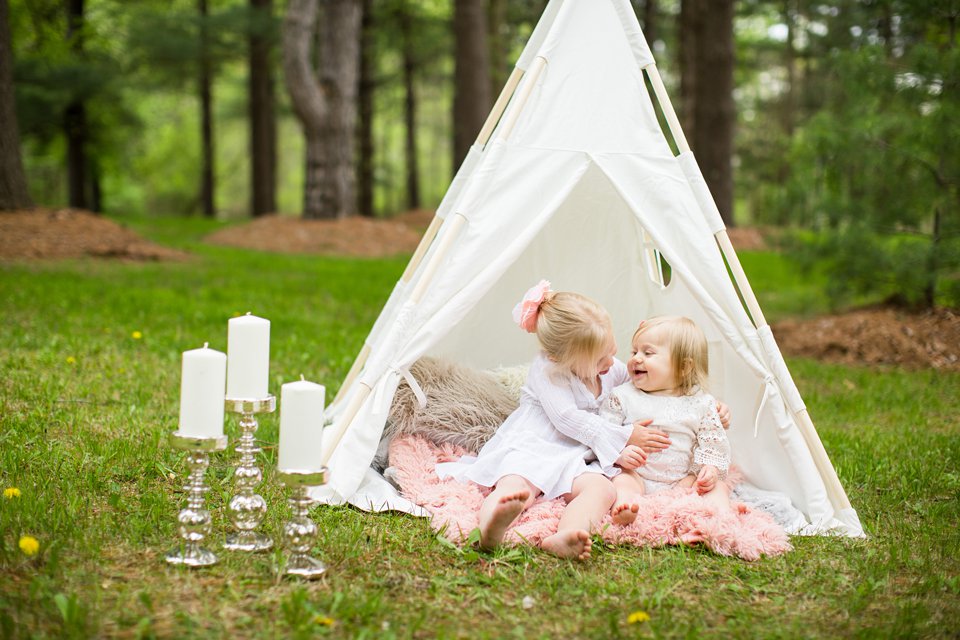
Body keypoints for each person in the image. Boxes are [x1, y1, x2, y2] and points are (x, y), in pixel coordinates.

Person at [436, 281, 656, 560]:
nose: (612, 363)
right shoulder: (548, 371)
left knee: (601, 489)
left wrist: (690, 397)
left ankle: (566, 535)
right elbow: (567, 418)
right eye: (601, 358)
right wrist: (623, 439)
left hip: (576, 454)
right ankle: (492, 526)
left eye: (612, 351)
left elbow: (638, 385)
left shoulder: (609, 368)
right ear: (559, 358)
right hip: (537, 444)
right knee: (516, 486)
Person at [600, 315, 733, 514]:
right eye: (635, 351)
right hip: (636, 474)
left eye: (648, 353)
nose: (636, 358)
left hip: (682, 480)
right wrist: (619, 454)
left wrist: (710, 469)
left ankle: (718, 522)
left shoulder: (701, 403)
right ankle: (625, 508)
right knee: (622, 481)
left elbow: (712, 443)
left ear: (683, 367)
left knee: (718, 488)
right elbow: (604, 433)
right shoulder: (622, 396)